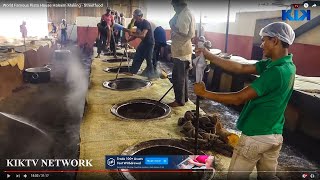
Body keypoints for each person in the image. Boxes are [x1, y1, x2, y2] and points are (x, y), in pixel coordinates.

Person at [194, 22, 296, 180]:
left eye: (264, 40)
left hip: (256, 136)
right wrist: (209, 55)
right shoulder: (286, 65)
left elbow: (238, 98)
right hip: (274, 134)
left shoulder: (276, 72)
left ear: (275, 41)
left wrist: (205, 93)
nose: (262, 45)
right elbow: (240, 68)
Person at [168, 0, 195, 107]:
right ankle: (185, 98)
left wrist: (173, 28)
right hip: (183, 50)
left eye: (174, 7)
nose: (174, 9)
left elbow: (183, 32)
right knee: (183, 76)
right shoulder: (184, 12)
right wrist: (175, 16)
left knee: (178, 77)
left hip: (181, 51)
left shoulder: (185, 14)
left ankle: (179, 101)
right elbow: (171, 21)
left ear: (180, 5)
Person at [125, 9, 156, 80]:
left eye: (135, 16)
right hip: (144, 42)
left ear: (141, 16)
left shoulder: (146, 23)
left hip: (150, 43)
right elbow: (134, 34)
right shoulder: (136, 23)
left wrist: (131, 33)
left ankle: (151, 76)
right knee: (137, 55)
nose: (134, 18)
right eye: (134, 16)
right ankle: (133, 71)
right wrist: (128, 40)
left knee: (148, 59)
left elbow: (143, 35)